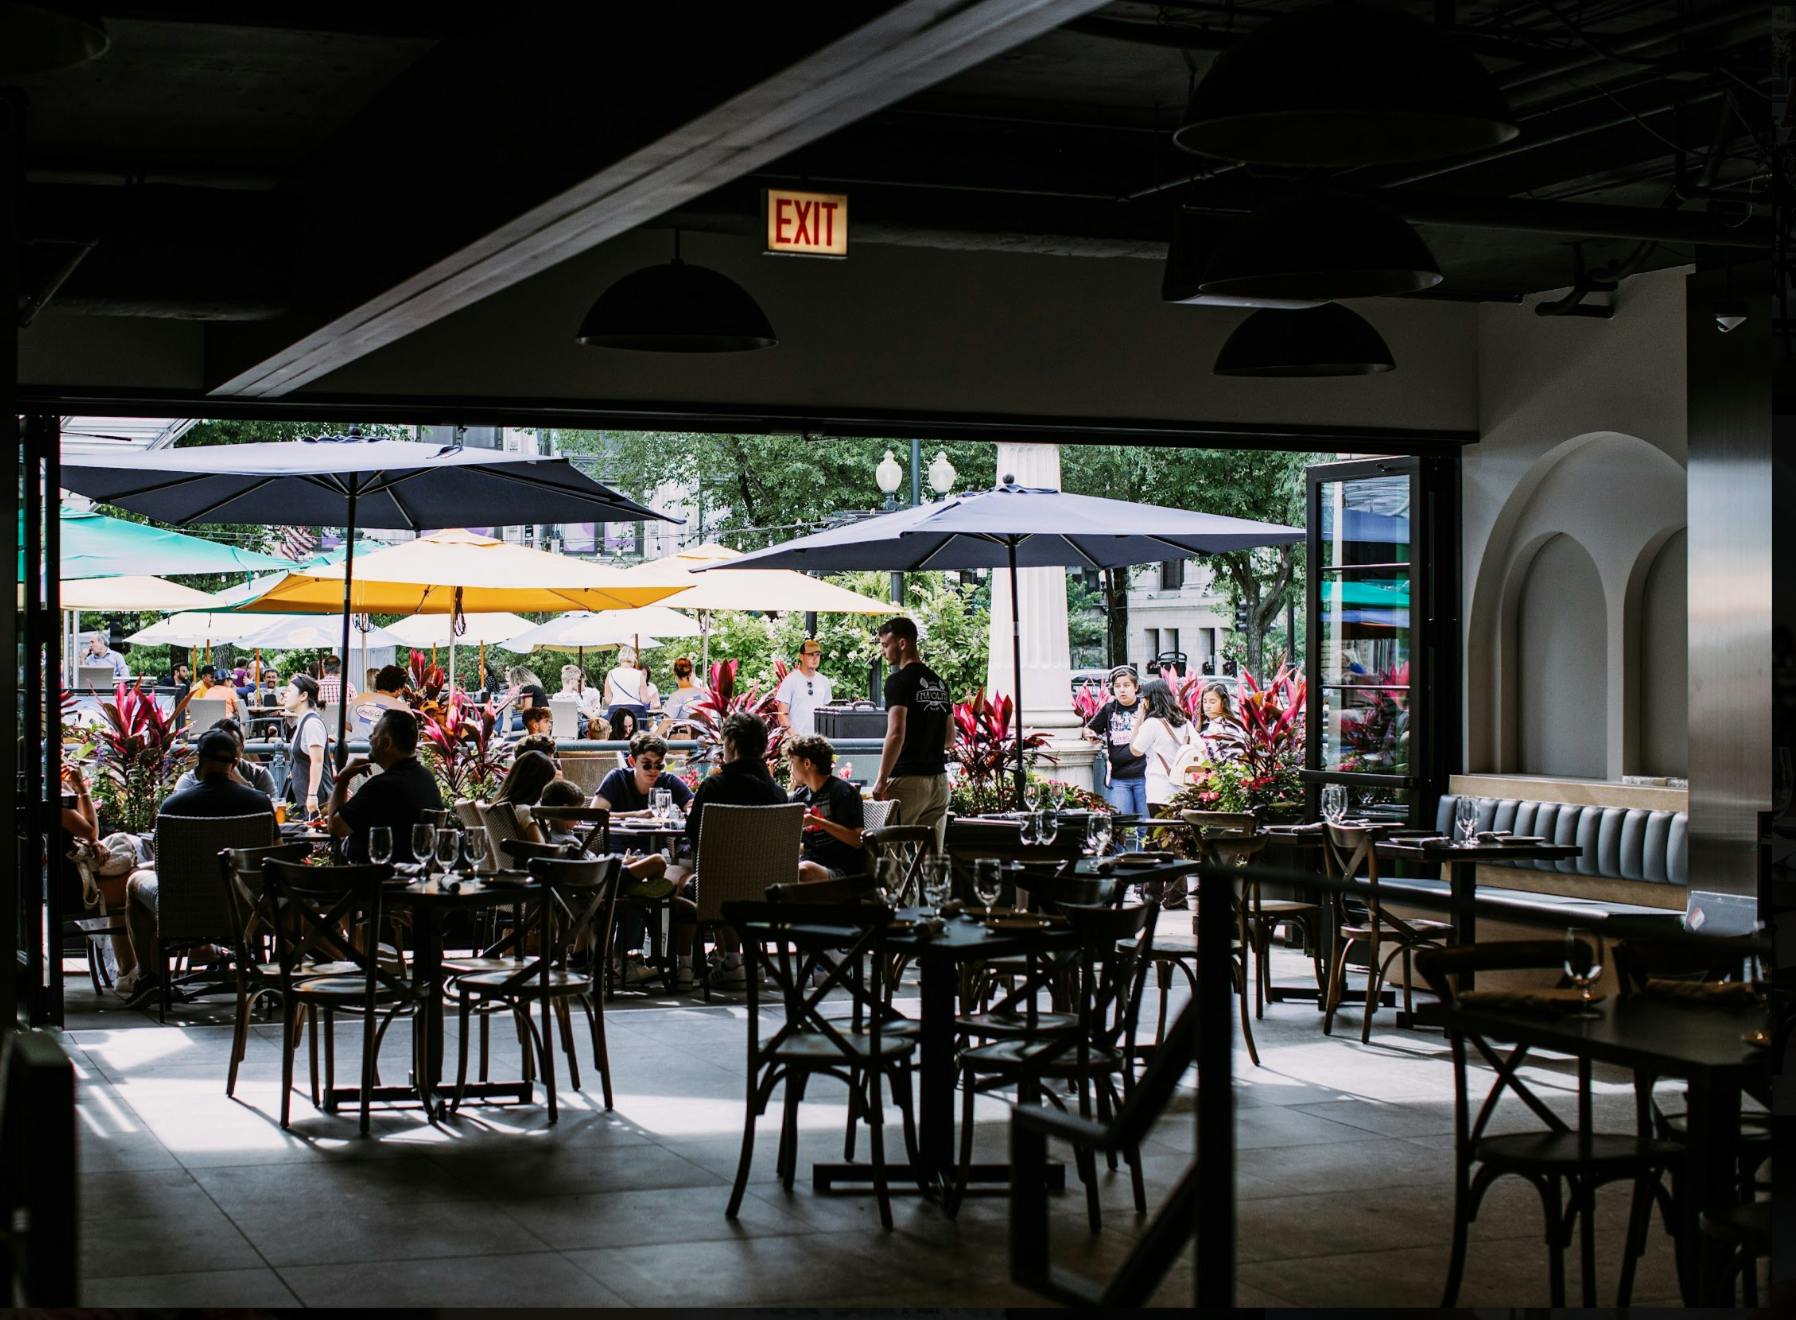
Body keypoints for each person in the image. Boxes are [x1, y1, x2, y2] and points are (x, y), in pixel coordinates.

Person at [121, 729, 277, 1006]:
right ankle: (276, 978)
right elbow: (274, 855)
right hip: (248, 908)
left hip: (185, 908)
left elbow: (162, 863)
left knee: (135, 881)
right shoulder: (259, 804)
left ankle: (151, 977)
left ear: (198, 760)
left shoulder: (175, 805)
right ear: (235, 762)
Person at [676, 712, 788, 990]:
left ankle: (685, 969)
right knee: (729, 877)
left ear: (733, 745)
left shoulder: (714, 787)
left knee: (685, 884)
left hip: (719, 890)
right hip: (771, 891)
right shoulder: (778, 794)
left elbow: (694, 836)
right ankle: (733, 961)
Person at [872, 616, 952, 847]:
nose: (884, 651)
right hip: (939, 782)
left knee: (889, 852)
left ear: (903, 643)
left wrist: (881, 780)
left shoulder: (898, 681)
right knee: (930, 858)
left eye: (886, 645)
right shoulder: (938, 682)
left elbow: (896, 733)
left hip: (908, 780)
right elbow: (949, 739)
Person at [329, 709, 444, 865]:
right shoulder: (426, 778)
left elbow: (336, 827)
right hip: (413, 878)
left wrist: (343, 779)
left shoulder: (381, 787)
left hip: (375, 881)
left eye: (373, 734)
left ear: (386, 742)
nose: (370, 740)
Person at [787, 734, 864, 881]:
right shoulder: (798, 798)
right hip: (808, 861)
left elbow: (857, 839)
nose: (790, 768)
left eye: (792, 761)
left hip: (842, 870)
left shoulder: (842, 792)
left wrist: (818, 822)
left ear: (807, 763)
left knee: (803, 871)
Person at [1082, 666, 1148, 824]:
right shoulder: (1109, 708)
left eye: (1126, 685)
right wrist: (1089, 734)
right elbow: (1089, 728)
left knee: (1146, 825)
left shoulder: (1145, 707)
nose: (1122, 690)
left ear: (1136, 687)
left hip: (1144, 775)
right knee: (1118, 823)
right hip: (1119, 777)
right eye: (1117, 686)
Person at [172, 717, 277, 797]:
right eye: (218, 746)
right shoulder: (188, 781)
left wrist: (241, 782)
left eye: (232, 745)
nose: (224, 750)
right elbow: (267, 814)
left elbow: (271, 815)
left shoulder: (259, 775)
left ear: (242, 748)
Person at [593, 732, 693, 816]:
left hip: (657, 838)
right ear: (632, 762)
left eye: (659, 765)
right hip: (619, 838)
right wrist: (636, 815)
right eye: (647, 765)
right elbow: (594, 815)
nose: (653, 770)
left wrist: (689, 809)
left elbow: (692, 806)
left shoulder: (668, 781)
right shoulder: (617, 779)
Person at [282, 673, 333, 819]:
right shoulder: (304, 722)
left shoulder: (311, 724)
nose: (285, 694)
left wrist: (312, 796)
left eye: (290, 691)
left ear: (303, 696)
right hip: (305, 798)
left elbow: (317, 761)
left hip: (316, 801)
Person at [774, 639, 834, 736]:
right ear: (801, 656)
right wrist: (795, 737)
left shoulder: (824, 681)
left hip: (817, 742)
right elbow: (782, 715)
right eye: (810, 654)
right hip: (795, 744)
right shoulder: (790, 680)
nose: (815, 658)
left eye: (817, 655)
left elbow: (828, 714)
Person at [350, 664, 409, 738]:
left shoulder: (360, 699)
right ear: (399, 689)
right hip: (383, 748)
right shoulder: (401, 708)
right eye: (403, 687)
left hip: (356, 747)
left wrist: (361, 731)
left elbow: (346, 724)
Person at [1192, 681, 1241, 765]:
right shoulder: (1203, 724)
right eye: (1205, 701)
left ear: (1223, 703)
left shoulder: (1229, 727)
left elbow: (1235, 759)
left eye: (1212, 702)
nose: (1207, 706)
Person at [602, 646, 650, 733]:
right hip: (636, 711)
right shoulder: (639, 674)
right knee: (638, 740)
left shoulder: (611, 673)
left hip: (615, 711)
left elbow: (608, 700)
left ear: (620, 658)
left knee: (615, 738)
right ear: (633, 659)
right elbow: (645, 700)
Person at [660, 655, 705, 728]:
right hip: (703, 736)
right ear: (690, 673)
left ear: (674, 672)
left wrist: (653, 736)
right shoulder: (702, 693)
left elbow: (667, 721)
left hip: (684, 737)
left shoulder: (676, 696)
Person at [502, 664, 549, 732]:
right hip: (540, 717)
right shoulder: (531, 687)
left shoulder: (528, 689)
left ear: (516, 679)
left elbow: (527, 710)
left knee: (505, 722)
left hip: (535, 719)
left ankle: (493, 733)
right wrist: (512, 703)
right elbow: (522, 706)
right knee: (504, 719)